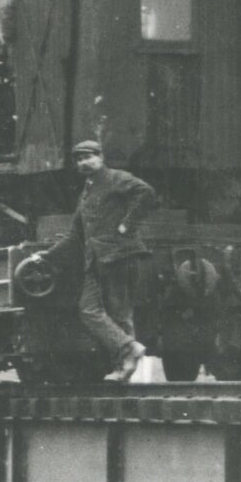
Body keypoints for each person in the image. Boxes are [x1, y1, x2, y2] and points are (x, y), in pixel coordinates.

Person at [43, 141, 156, 381]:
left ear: (101, 157)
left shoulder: (116, 178)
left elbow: (145, 192)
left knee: (119, 313)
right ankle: (129, 350)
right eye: (79, 159)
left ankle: (124, 367)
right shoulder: (87, 191)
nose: (83, 163)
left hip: (118, 255)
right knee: (89, 310)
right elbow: (75, 235)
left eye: (88, 157)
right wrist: (45, 256)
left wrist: (128, 224)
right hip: (95, 261)